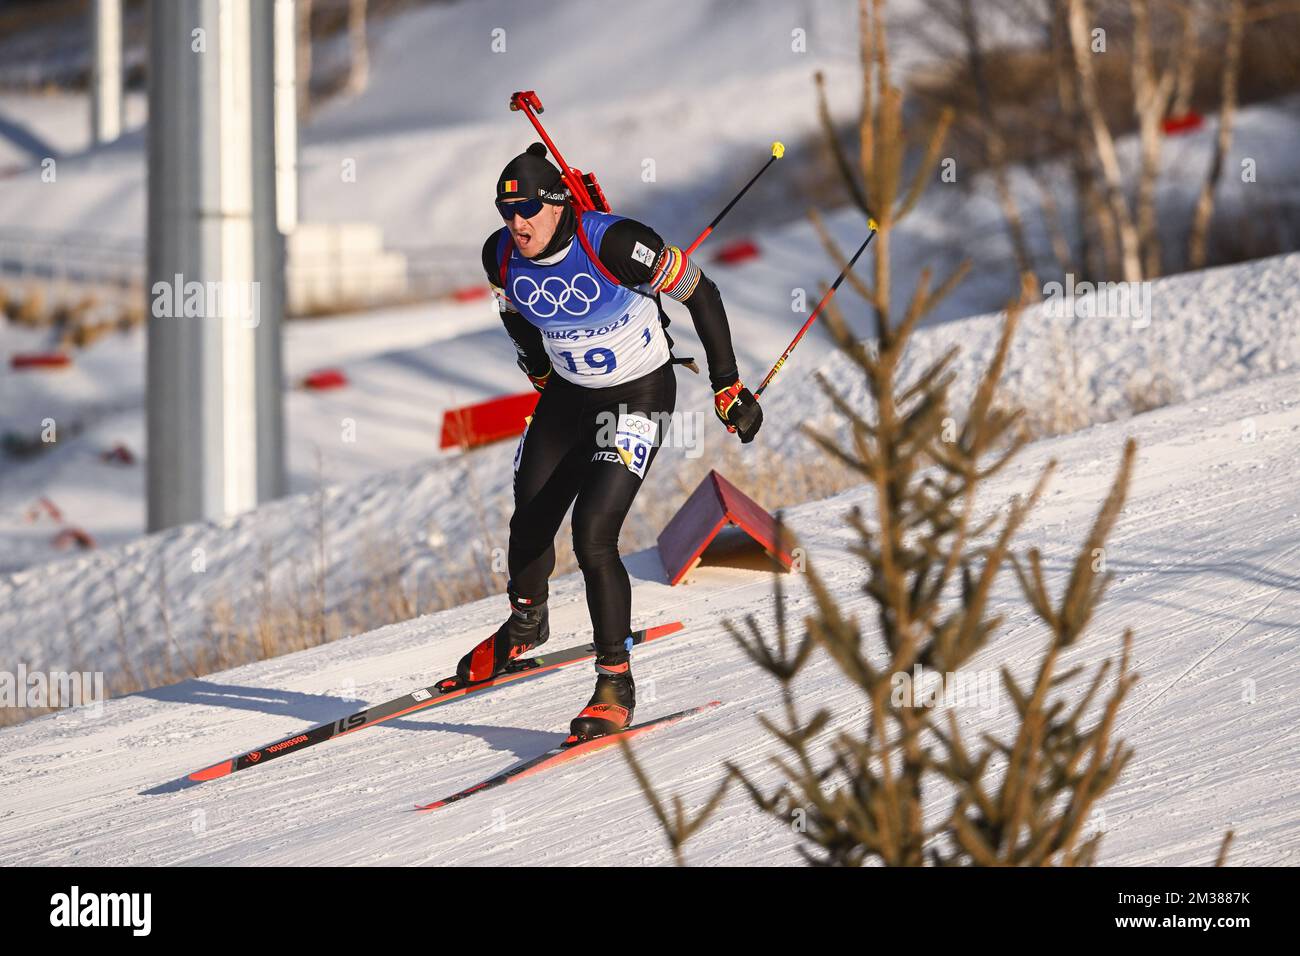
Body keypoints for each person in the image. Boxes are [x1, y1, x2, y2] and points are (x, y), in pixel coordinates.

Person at [454, 142, 762, 743]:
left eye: (529, 212)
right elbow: (515, 309)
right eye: (505, 212)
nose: (517, 226)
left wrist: (728, 387)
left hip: (635, 396)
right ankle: (525, 625)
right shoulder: (499, 255)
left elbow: (701, 291)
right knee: (528, 521)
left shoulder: (614, 243)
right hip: (570, 398)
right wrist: (535, 366)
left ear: (559, 203)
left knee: (593, 533)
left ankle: (615, 682)